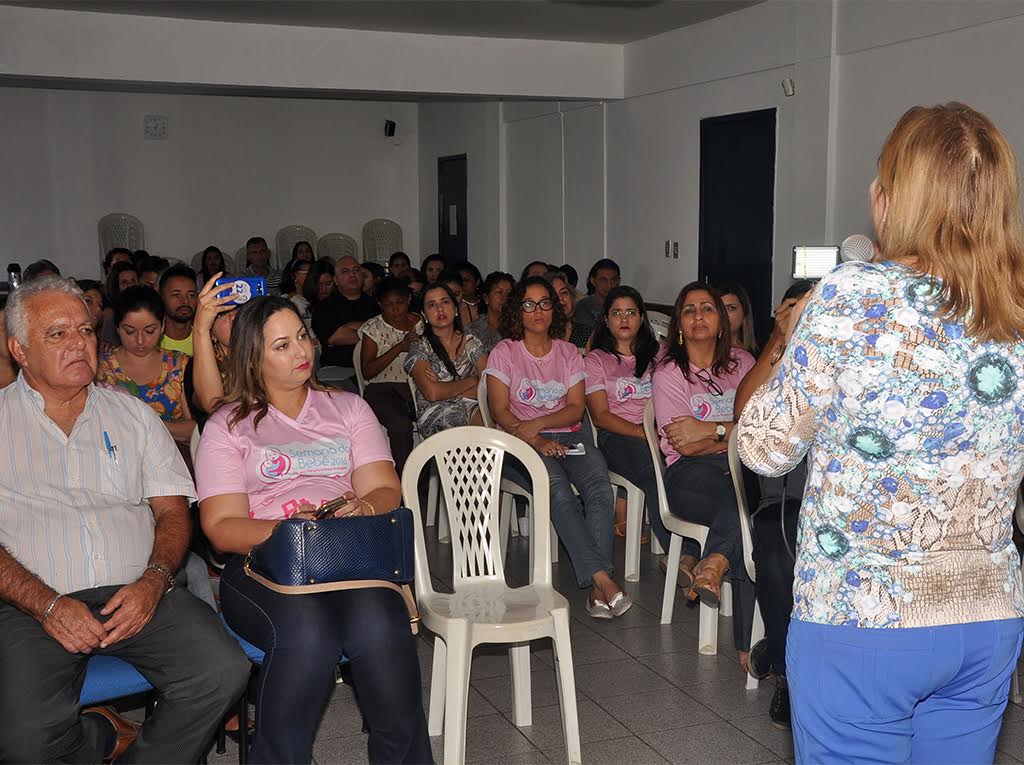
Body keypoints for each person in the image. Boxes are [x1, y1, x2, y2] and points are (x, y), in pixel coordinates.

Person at [738, 102, 1024, 763]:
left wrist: (791, 335)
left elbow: (763, 444)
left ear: (896, 197)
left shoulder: (852, 296)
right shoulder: (1013, 307)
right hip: (985, 617)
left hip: (862, 618)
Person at [0, 276, 249, 763]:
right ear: (20, 350)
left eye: (86, 330)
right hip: (31, 604)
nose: (79, 343)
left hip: (140, 592)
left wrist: (154, 581)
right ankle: (99, 736)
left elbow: (172, 511)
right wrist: (47, 605)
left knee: (222, 670)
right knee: (25, 741)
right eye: (58, 334)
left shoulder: (133, 415)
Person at [196, 296, 432, 764]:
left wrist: (361, 504)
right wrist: (288, 530)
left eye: (302, 336)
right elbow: (221, 528)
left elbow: (386, 488)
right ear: (251, 358)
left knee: (382, 625)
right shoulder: (229, 425)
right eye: (282, 345)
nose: (301, 350)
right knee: (308, 636)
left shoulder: (347, 407)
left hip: (345, 557)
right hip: (263, 564)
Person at [485, 276, 632, 619]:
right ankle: (603, 579)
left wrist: (537, 424)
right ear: (516, 311)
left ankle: (597, 589)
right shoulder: (505, 352)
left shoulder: (567, 353)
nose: (537, 311)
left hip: (569, 435)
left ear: (554, 309)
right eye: (528, 304)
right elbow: (501, 412)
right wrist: (535, 439)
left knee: (598, 488)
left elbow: (574, 408)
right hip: (521, 444)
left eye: (544, 303)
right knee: (559, 491)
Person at [652, 281, 755, 659]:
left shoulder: (743, 365)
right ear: (678, 322)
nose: (698, 316)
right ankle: (746, 645)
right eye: (690, 310)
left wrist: (710, 429)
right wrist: (732, 433)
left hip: (738, 468)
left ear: (722, 320)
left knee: (749, 507)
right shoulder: (669, 373)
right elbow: (686, 445)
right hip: (689, 475)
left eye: (707, 308)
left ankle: (713, 562)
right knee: (747, 507)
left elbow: (759, 427)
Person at [732, 279, 814, 731]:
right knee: (780, 551)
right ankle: (786, 672)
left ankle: (779, 651)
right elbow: (742, 409)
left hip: (840, 503)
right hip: (785, 497)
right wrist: (782, 339)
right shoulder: (776, 358)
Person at [585, 286, 666, 547]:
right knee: (655, 472)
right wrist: (643, 433)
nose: (624, 319)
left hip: (660, 433)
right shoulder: (596, 360)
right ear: (606, 320)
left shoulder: (660, 354)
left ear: (641, 318)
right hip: (617, 437)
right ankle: (680, 552)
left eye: (631, 312)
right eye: (616, 313)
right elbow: (600, 416)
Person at [97, 285, 197, 445]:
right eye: (130, 332)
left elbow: (195, 429)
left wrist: (146, 424)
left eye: (150, 331)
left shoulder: (179, 365)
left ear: (163, 325)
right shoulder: (101, 368)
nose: (140, 341)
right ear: (117, 328)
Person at [358, 278, 421, 475]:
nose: (395, 309)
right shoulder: (373, 329)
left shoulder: (420, 322)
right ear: (380, 304)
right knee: (400, 425)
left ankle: (430, 472)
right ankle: (404, 480)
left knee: (442, 414)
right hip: (381, 389)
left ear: (409, 300)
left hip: (416, 386)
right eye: (389, 304)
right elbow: (367, 371)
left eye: (400, 303)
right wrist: (399, 348)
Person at [405, 284, 487, 437]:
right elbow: (432, 394)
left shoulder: (471, 342)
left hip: (474, 407)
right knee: (460, 425)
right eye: (432, 305)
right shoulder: (420, 347)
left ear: (456, 309)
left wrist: (445, 389)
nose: (440, 309)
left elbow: (489, 386)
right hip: (435, 413)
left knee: (490, 422)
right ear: (424, 314)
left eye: (445, 302)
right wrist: (473, 380)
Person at [185, 273, 237, 430]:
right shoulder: (197, 366)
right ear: (212, 334)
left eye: (237, 308)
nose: (233, 316)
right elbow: (213, 404)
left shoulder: (264, 356)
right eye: (222, 314)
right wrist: (200, 330)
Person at [312, 255, 381, 372]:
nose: (352, 275)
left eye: (356, 270)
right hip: (338, 369)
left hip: (372, 367)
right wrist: (370, 330)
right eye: (345, 271)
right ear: (335, 280)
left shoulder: (374, 304)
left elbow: (384, 331)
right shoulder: (324, 307)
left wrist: (348, 327)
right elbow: (335, 337)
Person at [468, 271, 514, 354]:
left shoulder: (517, 327)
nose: (505, 298)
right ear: (486, 298)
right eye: (499, 292)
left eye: (509, 293)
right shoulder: (473, 330)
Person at [158, 263, 198, 357]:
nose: (185, 301)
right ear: (161, 297)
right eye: (176, 295)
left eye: (191, 295)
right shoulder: (150, 343)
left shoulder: (205, 340)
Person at [547, 271, 593, 349]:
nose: (560, 298)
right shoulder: (537, 337)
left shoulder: (586, 333)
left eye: (564, 292)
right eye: (553, 295)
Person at [101, 262, 139, 347]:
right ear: (116, 286)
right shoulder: (111, 314)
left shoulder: (145, 310)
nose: (130, 286)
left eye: (133, 281)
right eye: (124, 282)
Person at [576, 258, 621, 326]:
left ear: (618, 281)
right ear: (593, 281)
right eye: (603, 280)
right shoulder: (583, 306)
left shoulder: (624, 304)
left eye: (613, 280)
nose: (609, 285)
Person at [719, 282, 759, 355]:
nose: (724, 314)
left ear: (744, 312)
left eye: (731, 308)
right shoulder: (705, 351)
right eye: (720, 308)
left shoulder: (759, 353)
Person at [280, 256, 313, 328]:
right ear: (293, 276)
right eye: (307, 273)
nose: (312, 277)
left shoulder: (313, 299)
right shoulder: (289, 302)